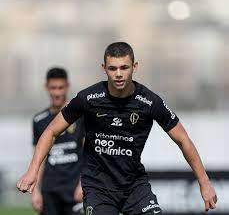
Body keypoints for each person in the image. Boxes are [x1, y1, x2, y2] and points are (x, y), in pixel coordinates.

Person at [17, 42, 217, 215]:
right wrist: (32, 171)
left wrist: (204, 182)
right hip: (98, 188)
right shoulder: (88, 98)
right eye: (113, 68)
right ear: (104, 68)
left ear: (135, 67)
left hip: (134, 185)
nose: (119, 74)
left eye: (124, 67)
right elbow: (51, 131)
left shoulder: (149, 101)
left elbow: (183, 140)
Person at [31, 67, 84, 215]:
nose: (57, 93)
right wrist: (36, 191)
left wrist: (83, 184)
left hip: (74, 190)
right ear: (46, 88)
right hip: (49, 190)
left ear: (67, 86)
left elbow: (89, 152)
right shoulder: (39, 120)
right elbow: (39, 157)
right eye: (53, 88)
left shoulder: (80, 117)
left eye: (60, 87)